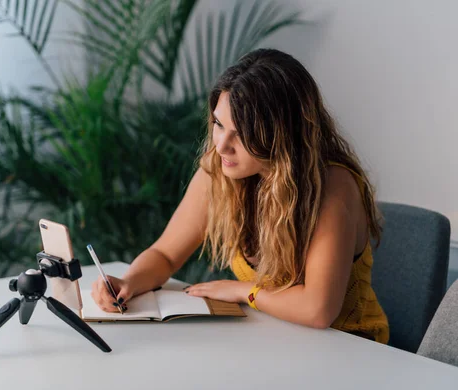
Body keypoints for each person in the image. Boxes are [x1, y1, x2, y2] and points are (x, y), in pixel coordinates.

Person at [91, 48, 389, 344]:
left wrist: (242, 291)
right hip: (274, 340)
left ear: (282, 136)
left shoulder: (332, 188)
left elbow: (318, 310)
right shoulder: (221, 171)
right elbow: (165, 255)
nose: (221, 146)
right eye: (219, 124)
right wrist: (129, 282)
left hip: (350, 348)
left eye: (242, 134)